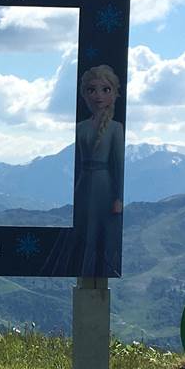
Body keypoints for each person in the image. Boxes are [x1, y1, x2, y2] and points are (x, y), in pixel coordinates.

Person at [74, 64, 124, 277]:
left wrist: (118, 197)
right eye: (92, 90)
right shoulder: (81, 127)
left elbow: (118, 165)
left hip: (104, 185)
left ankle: (101, 269)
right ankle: (84, 267)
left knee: (101, 231)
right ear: (85, 93)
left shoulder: (116, 128)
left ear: (113, 93)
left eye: (105, 89)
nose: (98, 96)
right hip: (83, 184)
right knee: (85, 230)